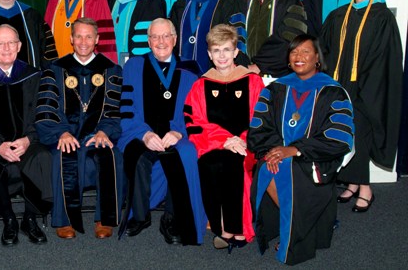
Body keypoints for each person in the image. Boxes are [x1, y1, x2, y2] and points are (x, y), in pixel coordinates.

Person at [248, 35, 354, 265]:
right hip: (280, 154)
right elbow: (259, 126)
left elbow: (339, 137)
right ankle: (301, 227)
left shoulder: (333, 92)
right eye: (294, 52)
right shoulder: (276, 89)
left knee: (286, 168)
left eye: (306, 52)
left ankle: (295, 235)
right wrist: (273, 150)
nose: (299, 57)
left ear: (317, 58)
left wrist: (295, 150)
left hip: (316, 158)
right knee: (269, 165)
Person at [321, 0, 402, 213]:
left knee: (362, 133)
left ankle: (365, 187)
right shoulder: (338, 15)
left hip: (367, 87)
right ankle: (353, 183)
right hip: (339, 85)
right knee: (346, 132)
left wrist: (365, 87)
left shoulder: (382, 17)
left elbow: (385, 56)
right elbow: (325, 49)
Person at [117, 18, 206, 245]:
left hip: (179, 134)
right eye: (155, 37)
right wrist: (144, 134)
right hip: (141, 131)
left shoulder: (191, 68)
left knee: (184, 156)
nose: (161, 41)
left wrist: (178, 132)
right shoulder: (134, 66)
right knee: (136, 156)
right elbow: (126, 108)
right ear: (148, 41)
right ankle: (140, 215)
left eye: (166, 35)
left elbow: (197, 111)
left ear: (175, 39)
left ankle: (172, 219)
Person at [36, 17, 123, 239]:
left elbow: (114, 109)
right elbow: (47, 107)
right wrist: (61, 132)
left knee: (112, 156)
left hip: (97, 135)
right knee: (63, 155)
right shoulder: (54, 69)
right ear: (72, 39)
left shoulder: (111, 70)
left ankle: (105, 218)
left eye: (89, 36)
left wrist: (104, 131)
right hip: (66, 136)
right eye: (79, 36)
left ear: (97, 39)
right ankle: (64, 219)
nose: (83, 41)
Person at [0, 24, 53, 246]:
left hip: (27, 139)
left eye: (11, 42)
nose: (6, 48)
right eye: (0, 43)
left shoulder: (34, 75)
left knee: (42, 156)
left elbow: (43, 113)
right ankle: (9, 220)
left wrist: (28, 139)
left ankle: (29, 219)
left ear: (19, 46)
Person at [184, 24, 264, 252]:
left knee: (232, 164)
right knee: (209, 164)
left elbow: (261, 119)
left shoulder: (252, 81)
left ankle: (235, 228)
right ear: (209, 54)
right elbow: (194, 121)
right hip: (213, 145)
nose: (222, 56)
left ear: (236, 52)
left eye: (227, 50)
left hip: (246, 145)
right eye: (216, 50)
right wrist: (226, 140)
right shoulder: (201, 85)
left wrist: (243, 139)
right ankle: (220, 227)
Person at [235, 0, 307, 77]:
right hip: (243, 71)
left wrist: (259, 65)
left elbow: (290, 38)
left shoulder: (290, 0)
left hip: (278, 72)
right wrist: (243, 64)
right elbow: (234, 33)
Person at [169, 0, 236, 74]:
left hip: (214, 71)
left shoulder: (225, 2)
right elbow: (171, 37)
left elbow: (235, 38)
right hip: (182, 71)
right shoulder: (182, 3)